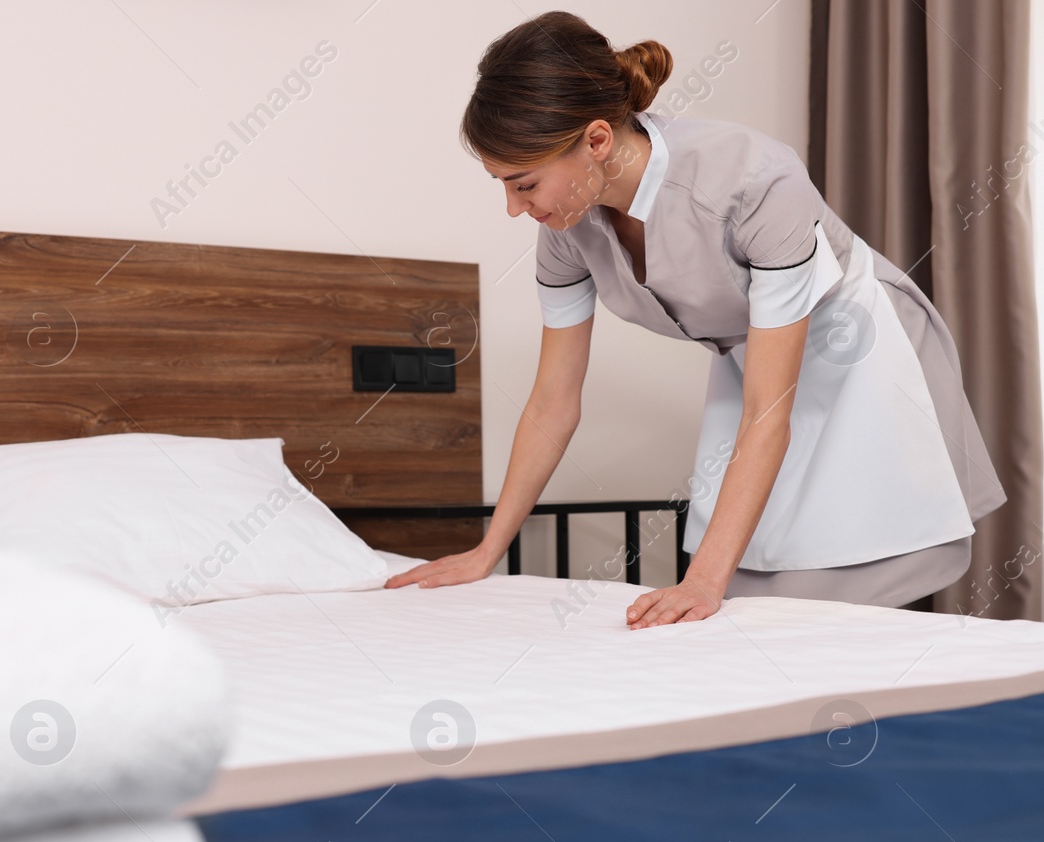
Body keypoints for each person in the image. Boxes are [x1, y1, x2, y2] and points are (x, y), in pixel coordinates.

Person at [386, 11, 1005, 629]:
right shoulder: (569, 232)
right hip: (755, 363)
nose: (514, 210)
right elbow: (552, 401)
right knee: (753, 598)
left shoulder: (755, 181)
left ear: (597, 141)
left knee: (858, 576)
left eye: (524, 185)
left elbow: (769, 412)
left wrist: (703, 581)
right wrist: (486, 551)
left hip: (860, 350)